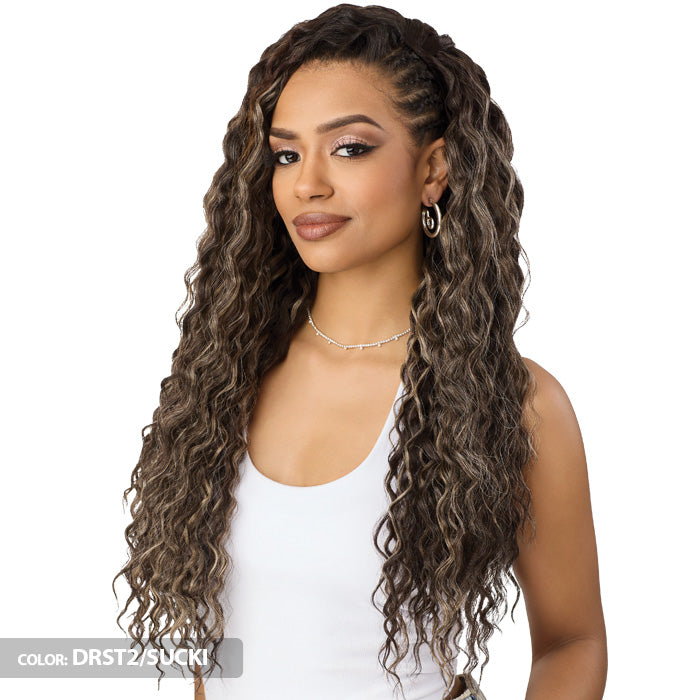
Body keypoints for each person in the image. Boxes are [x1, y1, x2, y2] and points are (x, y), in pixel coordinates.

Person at [113, 4, 607, 699]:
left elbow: (572, 642)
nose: (307, 183)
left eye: (348, 148)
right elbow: (224, 651)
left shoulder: (512, 402)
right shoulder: (225, 378)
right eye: (287, 154)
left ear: (433, 169)